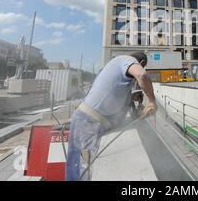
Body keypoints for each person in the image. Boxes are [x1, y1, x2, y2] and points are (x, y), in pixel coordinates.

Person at [66, 52, 157, 181]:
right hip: (88, 122)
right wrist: (152, 101)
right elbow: (141, 75)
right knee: (81, 171)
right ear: (141, 63)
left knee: (83, 169)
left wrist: (131, 97)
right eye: (143, 66)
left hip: (91, 121)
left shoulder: (119, 66)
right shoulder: (127, 60)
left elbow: (111, 93)